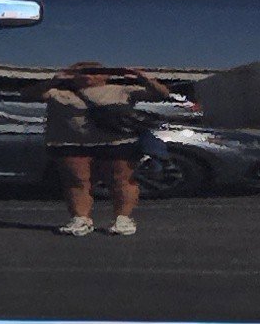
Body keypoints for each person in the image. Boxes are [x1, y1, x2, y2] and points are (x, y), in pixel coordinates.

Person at [42, 59, 183, 236]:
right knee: (77, 181)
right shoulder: (57, 92)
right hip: (72, 144)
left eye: (94, 72)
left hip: (117, 142)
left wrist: (142, 77)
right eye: (82, 71)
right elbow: (29, 94)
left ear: (106, 75)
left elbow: (161, 94)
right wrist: (56, 79)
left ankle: (122, 219)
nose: (88, 75)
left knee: (122, 180)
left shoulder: (122, 90)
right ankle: (80, 219)